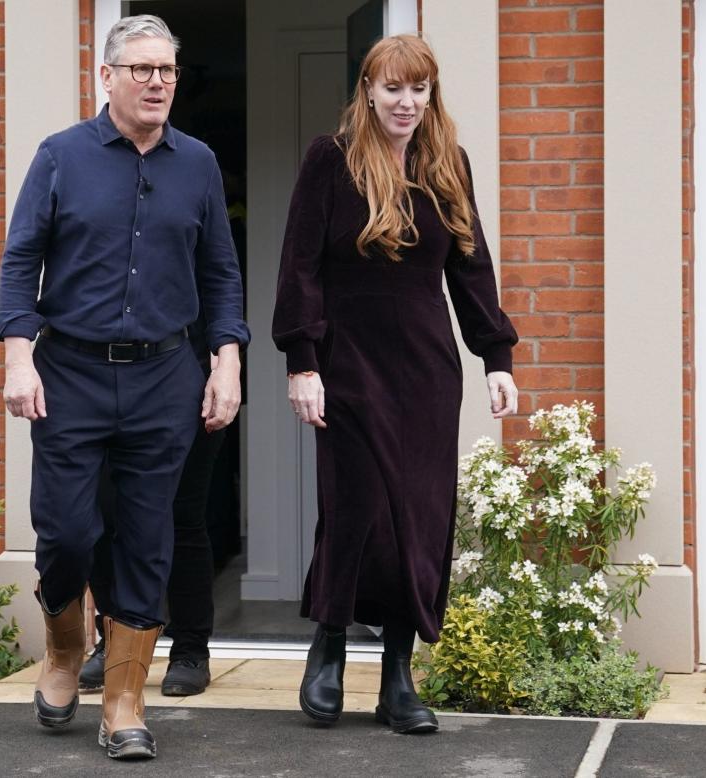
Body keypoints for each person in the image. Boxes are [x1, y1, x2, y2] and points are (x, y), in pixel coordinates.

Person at [0, 13, 249, 760]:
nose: (157, 82)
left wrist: (225, 361)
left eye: (166, 69)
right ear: (106, 77)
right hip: (69, 372)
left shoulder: (197, 163)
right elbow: (19, 264)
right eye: (141, 69)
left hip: (165, 376)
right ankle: (67, 649)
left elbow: (221, 275)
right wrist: (19, 356)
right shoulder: (60, 157)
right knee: (68, 533)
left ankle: (125, 701)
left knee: (147, 538)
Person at [271, 35, 519, 735]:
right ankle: (327, 651)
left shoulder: (450, 167)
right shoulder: (333, 160)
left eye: (419, 89)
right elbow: (301, 269)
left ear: (430, 94)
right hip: (348, 362)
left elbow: (471, 271)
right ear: (368, 91)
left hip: (427, 371)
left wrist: (495, 358)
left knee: (419, 516)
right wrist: (303, 361)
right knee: (356, 508)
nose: (405, 103)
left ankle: (399, 676)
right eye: (392, 89)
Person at [80, 322, 227, 699]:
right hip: (103, 379)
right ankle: (114, 641)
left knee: (182, 514)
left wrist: (225, 366)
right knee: (103, 512)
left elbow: (220, 290)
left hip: (190, 370)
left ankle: (190, 650)